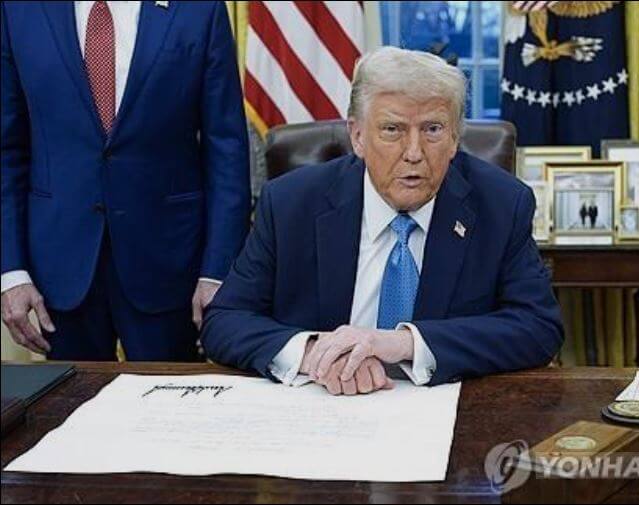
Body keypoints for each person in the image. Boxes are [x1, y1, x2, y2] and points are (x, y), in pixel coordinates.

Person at [201, 47, 564, 395]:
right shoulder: (290, 204)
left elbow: (538, 327)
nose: (414, 153)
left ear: (455, 138)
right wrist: (315, 354)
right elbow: (225, 320)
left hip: (445, 411)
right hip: (323, 404)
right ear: (357, 136)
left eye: (433, 129)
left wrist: (404, 343)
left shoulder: (501, 205)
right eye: (392, 129)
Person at [1, 2, 250, 360]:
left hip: (170, 266)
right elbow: (7, 150)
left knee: (172, 396)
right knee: (72, 397)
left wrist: (218, 271)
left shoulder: (199, 9)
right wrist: (11, 271)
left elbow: (226, 149)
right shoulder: (17, 9)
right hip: (59, 268)